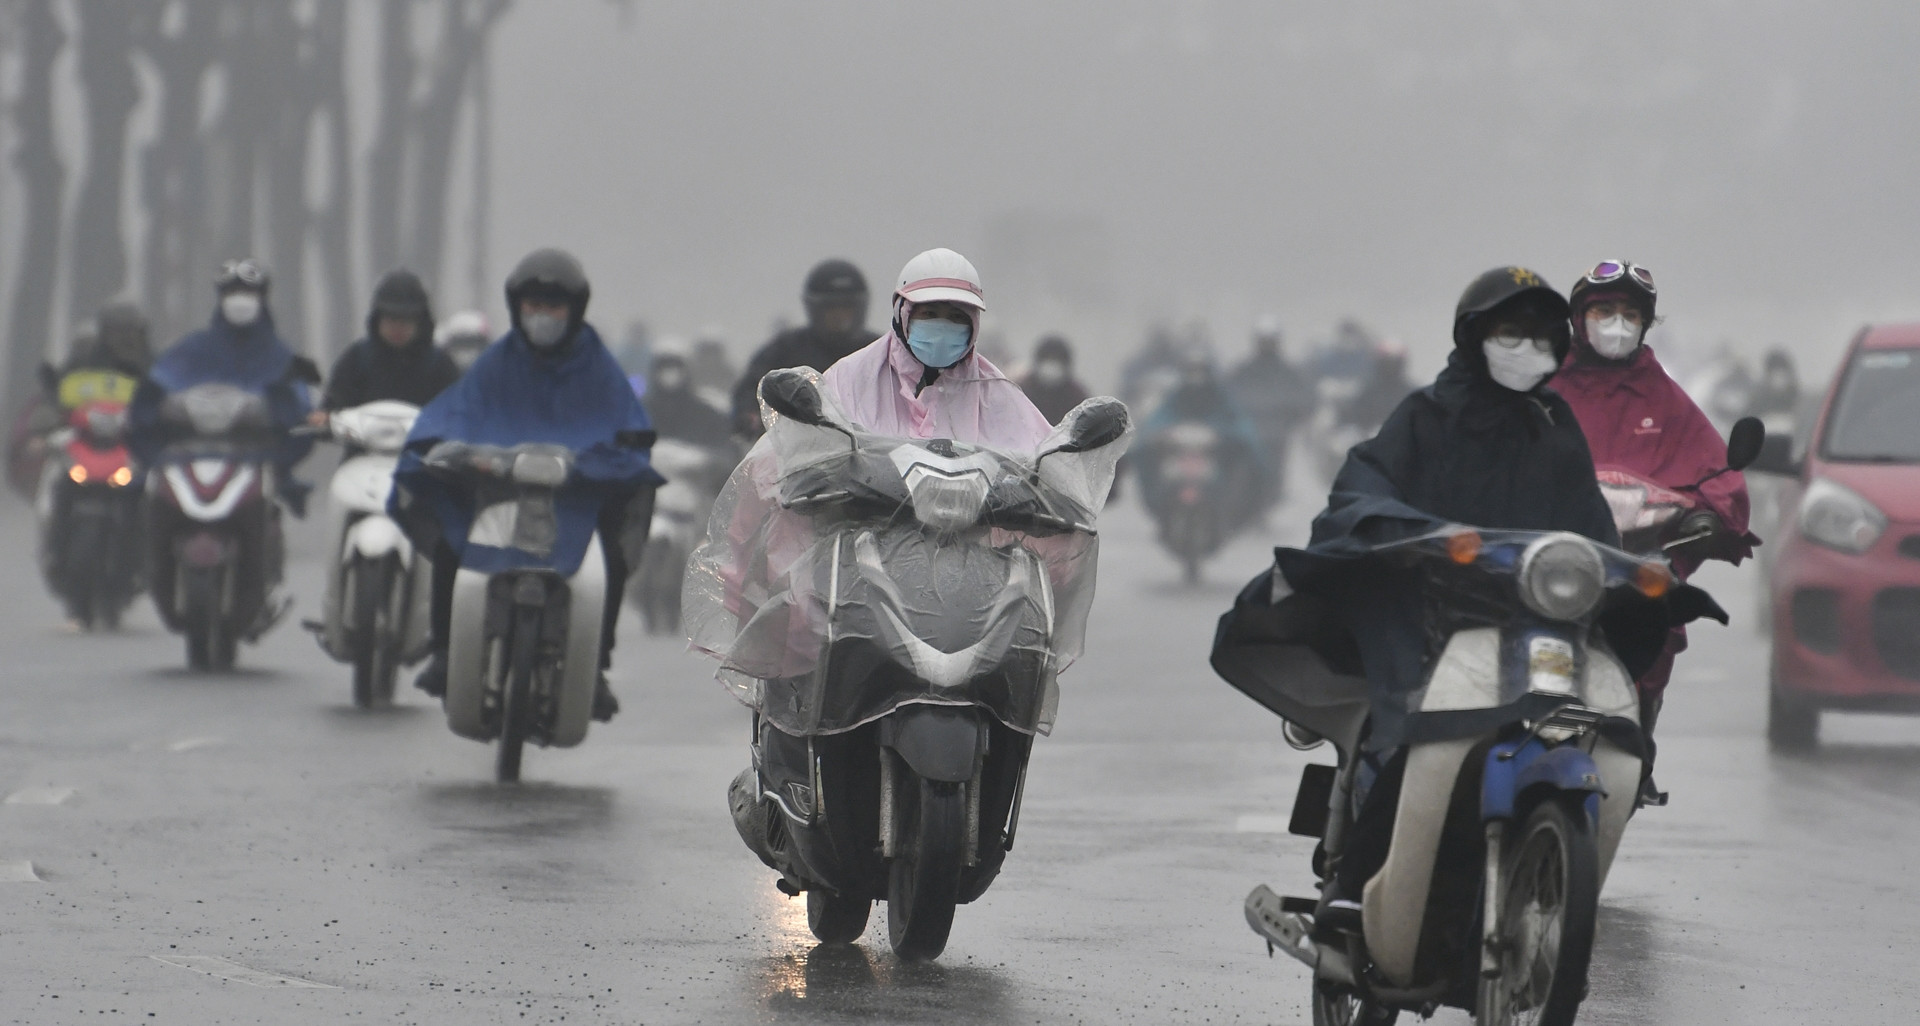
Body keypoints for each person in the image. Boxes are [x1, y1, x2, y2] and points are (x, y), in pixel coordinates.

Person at [1276, 266, 1621, 933]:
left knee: (1605, 731)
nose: (1525, 348)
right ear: (1473, 337)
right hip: (1431, 623)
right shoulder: (1424, 416)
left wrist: (1631, 573)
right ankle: (1353, 886)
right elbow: (1359, 491)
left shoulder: (1554, 425)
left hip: (1533, 626)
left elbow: (1591, 524)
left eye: (1540, 334)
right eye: (1508, 332)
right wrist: (1421, 537)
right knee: (1417, 739)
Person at [725, 246, 1054, 866]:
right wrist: (811, 478)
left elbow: (1041, 467)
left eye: (957, 317)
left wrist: (1057, 483)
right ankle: (785, 773)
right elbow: (791, 458)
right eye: (930, 313)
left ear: (975, 325)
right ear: (901, 312)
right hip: (858, 567)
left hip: (967, 579)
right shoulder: (849, 378)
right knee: (799, 628)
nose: (943, 329)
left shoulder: (999, 394)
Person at [391, 248, 662, 721]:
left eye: (553, 307)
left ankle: (595, 665)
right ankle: (444, 649)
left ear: (574, 310)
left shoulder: (597, 363)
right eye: (533, 306)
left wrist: (614, 454)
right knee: (454, 543)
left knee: (613, 556)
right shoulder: (498, 360)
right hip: (499, 490)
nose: (541, 316)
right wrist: (446, 446)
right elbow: (460, 410)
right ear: (518, 308)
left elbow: (627, 422)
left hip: (578, 495)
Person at [1550, 260, 1754, 737]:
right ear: (1580, 318)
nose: (1617, 324)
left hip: (1633, 564)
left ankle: (1635, 732)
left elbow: (1714, 470)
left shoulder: (1665, 398)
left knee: (1656, 626)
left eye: (1629, 313)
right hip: (1550, 557)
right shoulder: (1543, 389)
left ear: (1644, 324)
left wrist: (1710, 516)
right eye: (1605, 310)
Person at [128, 259, 316, 515]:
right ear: (220, 298)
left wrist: (282, 429)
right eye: (232, 293)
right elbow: (152, 393)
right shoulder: (192, 350)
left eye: (248, 293)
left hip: (257, 461)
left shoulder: (280, 357)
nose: (240, 301)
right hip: (186, 461)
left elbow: (301, 416)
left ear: (262, 298)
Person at [729, 259, 876, 438]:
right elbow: (751, 390)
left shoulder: (880, 352)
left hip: (874, 454)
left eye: (846, 308)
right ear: (814, 309)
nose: (839, 317)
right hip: (797, 455)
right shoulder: (784, 351)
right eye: (831, 309)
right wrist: (749, 416)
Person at [315, 269, 460, 418]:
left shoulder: (439, 365)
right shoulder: (357, 360)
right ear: (377, 320)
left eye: (405, 320)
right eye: (390, 319)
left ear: (420, 323)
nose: (397, 328)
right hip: (363, 441)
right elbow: (334, 402)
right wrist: (324, 417)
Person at [1226, 317, 1316, 507]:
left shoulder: (1288, 371)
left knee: (1275, 469)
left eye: (1270, 341)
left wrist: (1295, 414)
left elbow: (1305, 398)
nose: (1266, 345)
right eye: (1263, 341)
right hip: (1248, 430)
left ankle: (1271, 498)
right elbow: (1227, 392)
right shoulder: (1244, 369)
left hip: (1276, 431)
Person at [642, 351, 734, 449]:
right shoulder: (642, 410)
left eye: (674, 369)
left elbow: (721, 445)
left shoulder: (702, 413)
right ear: (655, 374)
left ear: (685, 373)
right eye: (665, 370)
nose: (670, 375)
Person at [1017, 334, 1093, 425]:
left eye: (1056, 360)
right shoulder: (1024, 392)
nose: (1051, 365)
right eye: (1048, 359)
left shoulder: (1077, 396)